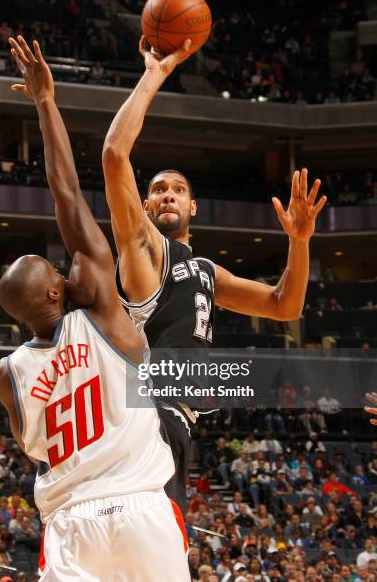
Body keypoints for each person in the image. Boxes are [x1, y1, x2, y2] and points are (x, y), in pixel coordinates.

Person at [101, 36, 327, 515]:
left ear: (192, 205)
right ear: (143, 206)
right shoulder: (144, 249)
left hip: (173, 423)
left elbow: (285, 306)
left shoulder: (205, 270)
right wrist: (154, 74)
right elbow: (115, 155)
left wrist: (300, 242)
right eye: (158, 190)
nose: (167, 196)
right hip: (140, 418)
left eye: (178, 190)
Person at [0, 36, 189, 582]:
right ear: (57, 292)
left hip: (69, 525)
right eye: (56, 270)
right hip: (139, 507)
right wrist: (45, 103)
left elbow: (33, 442)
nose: (65, 269)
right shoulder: (100, 310)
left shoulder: (7, 374)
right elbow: (66, 194)